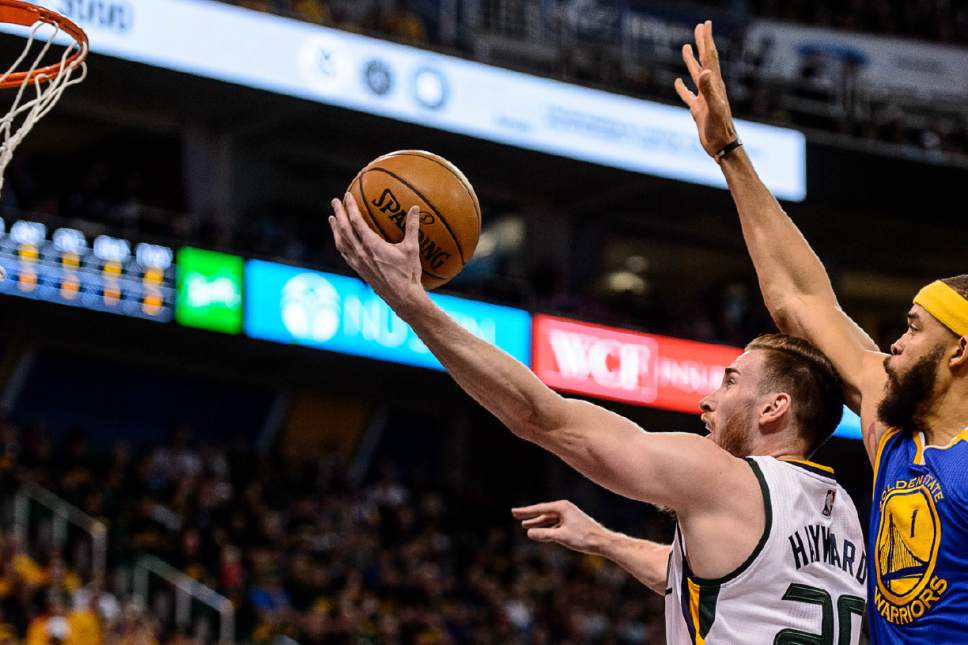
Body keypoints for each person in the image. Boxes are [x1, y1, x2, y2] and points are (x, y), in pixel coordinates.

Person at [328, 197, 866, 643]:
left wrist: (410, 302)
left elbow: (542, 417)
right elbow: (723, 581)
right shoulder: (844, 517)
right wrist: (604, 540)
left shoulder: (725, 478)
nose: (707, 400)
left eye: (729, 382)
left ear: (774, 408)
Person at [674, 20, 968, 642]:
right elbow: (800, 299)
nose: (895, 342)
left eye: (915, 329)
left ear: (960, 351)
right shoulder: (894, 429)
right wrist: (730, 153)